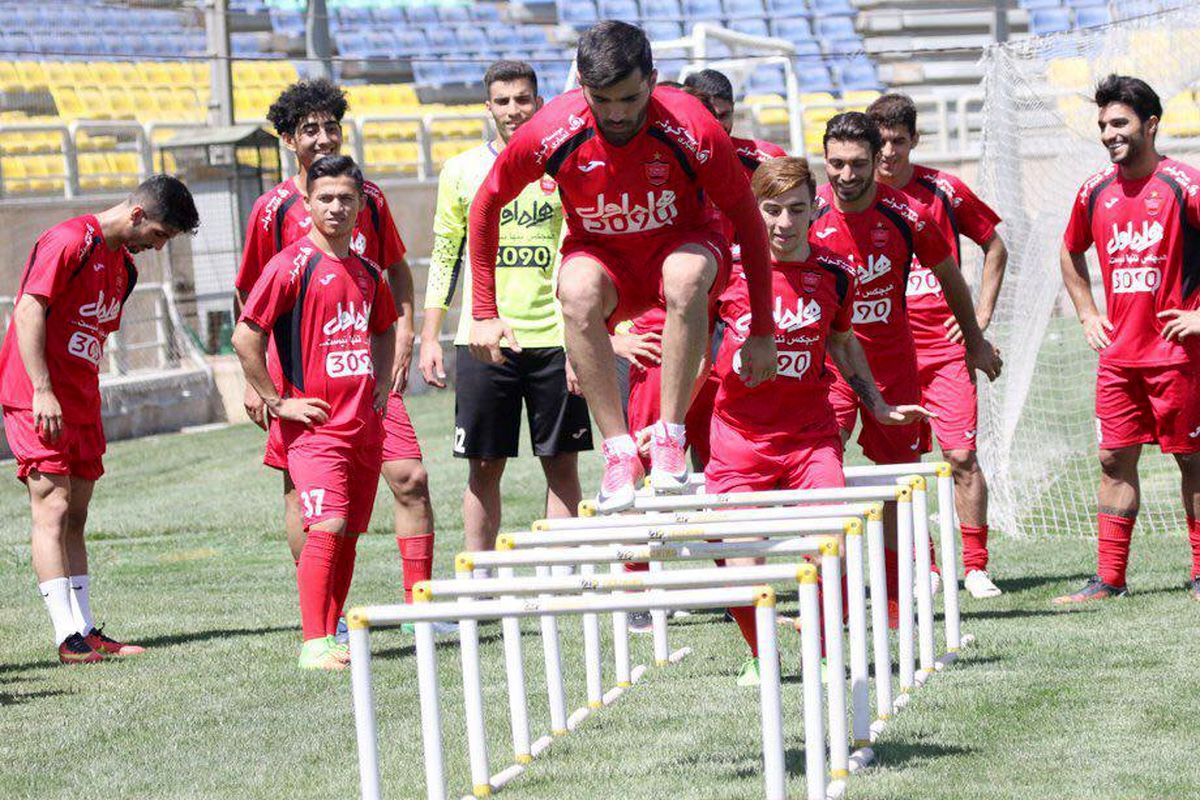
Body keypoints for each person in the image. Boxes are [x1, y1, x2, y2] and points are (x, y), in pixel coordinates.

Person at [466, 20, 778, 513]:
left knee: (684, 275)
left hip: (685, 247)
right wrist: (484, 309)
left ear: (651, 81)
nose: (615, 114)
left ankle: (671, 436)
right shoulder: (552, 130)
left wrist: (763, 327)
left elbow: (747, 220)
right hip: (606, 259)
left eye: (628, 99)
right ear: (582, 87)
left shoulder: (692, 126)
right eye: (601, 100)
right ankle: (618, 450)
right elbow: (485, 205)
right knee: (575, 286)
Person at [710, 156, 932, 685]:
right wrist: (662, 422)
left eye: (795, 210)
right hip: (739, 439)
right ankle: (763, 654)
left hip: (811, 438)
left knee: (833, 544)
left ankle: (825, 649)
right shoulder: (727, 270)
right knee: (739, 568)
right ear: (752, 211)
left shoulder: (835, 272)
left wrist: (875, 404)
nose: (783, 223)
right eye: (770, 210)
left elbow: (842, 340)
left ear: (814, 209)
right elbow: (692, 348)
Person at [235, 79, 438, 617]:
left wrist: (405, 335)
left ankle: (420, 608)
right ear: (288, 140)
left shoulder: (367, 196)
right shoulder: (272, 209)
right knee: (307, 499)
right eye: (309, 130)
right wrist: (263, 388)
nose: (323, 138)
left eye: (331, 126)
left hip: (365, 370)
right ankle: (324, 620)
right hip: (301, 379)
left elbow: (395, 271)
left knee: (410, 478)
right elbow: (250, 299)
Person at [0, 175, 199, 663]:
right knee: (54, 504)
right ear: (136, 215)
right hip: (37, 396)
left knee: (78, 514)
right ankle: (66, 636)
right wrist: (44, 390)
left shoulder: (123, 270)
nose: (157, 247)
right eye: (158, 235)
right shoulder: (69, 241)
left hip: (81, 401)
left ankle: (86, 629)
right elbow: (28, 312)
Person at [815, 111, 1001, 610]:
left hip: (895, 365)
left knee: (897, 475)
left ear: (879, 161)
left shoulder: (907, 214)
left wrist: (975, 338)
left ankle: (916, 573)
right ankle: (832, 580)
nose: (847, 176)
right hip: (832, 366)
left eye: (858, 164)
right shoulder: (806, 215)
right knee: (820, 463)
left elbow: (950, 276)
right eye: (836, 164)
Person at [419, 61, 591, 555]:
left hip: (556, 338)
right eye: (503, 100)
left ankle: (559, 581)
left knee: (561, 463)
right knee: (484, 465)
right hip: (482, 339)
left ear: (537, 103)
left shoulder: (563, 165)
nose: (514, 109)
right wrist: (431, 335)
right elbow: (446, 254)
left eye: (522, 99)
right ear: (488, 107)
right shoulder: (461, 170)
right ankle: (480, 581)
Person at [234, 156, 398, 670]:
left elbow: (387, 327)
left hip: (364, 424)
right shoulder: (290, 265)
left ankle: (331, 633)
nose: (335, 207)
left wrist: (383, 383)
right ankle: (313, 642)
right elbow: (245, 336)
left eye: (345, 198)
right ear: (307, 204)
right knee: (326, 524)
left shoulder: (369, 272)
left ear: (360, 206)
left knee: (348, 531)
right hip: (315, 427)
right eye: (325, 198)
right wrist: (277, 401)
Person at [1055, 75, 1200, 604]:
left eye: (1120, 123)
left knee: (1193, 458)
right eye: (1103, 125)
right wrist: (1088, 312)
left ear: (1151, 125)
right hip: (1119, 358)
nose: (1109, 133)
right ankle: (1110, 579)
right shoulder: (1093, 192)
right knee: (1114, 461)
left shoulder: (1185, 185)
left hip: (1179, 358)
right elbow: (1070, 252)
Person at [867, 93, 1009, 599]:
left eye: (898, 142)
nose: (888, 153)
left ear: (914, 141)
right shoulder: (853, 198)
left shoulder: (942, 190)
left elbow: (994, 244)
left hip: (944, 350)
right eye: (880, 142)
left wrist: (979, 321)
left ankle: (975, 565)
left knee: (962, 455)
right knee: (897, 471)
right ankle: (922, 565)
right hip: (884, 353)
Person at [619, 69, 787, 472]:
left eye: (723, 117)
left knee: (726, 453)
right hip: (665, 319)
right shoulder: (648, 161)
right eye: (708, 118)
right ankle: (646, 532)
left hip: (738, 317)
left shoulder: (764, 163)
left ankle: (721, 535)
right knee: (647, 452)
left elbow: (797, 232)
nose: (717, 128)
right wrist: (609, 336)